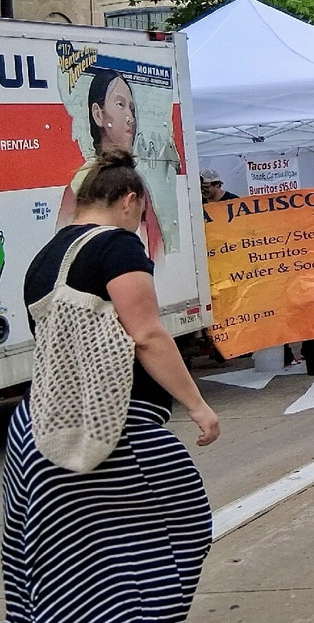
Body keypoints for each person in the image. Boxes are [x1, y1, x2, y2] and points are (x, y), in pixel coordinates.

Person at [4, 150, 220, 621]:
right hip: (111, 426)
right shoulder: (117, 246)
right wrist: (197, 405)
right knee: (175, 528)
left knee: (65, 552)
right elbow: (145, 334)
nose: (140, 224)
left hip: (38, 428)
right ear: (129, 200)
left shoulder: (44, 258)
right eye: (142, 214)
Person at [57, 69, 165, 260]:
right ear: (98, 114)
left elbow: (157, 253)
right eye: (120, 104)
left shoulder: (135, 182)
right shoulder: (80, 184)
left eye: (131, 108)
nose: (130, 118)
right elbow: (65, 250)